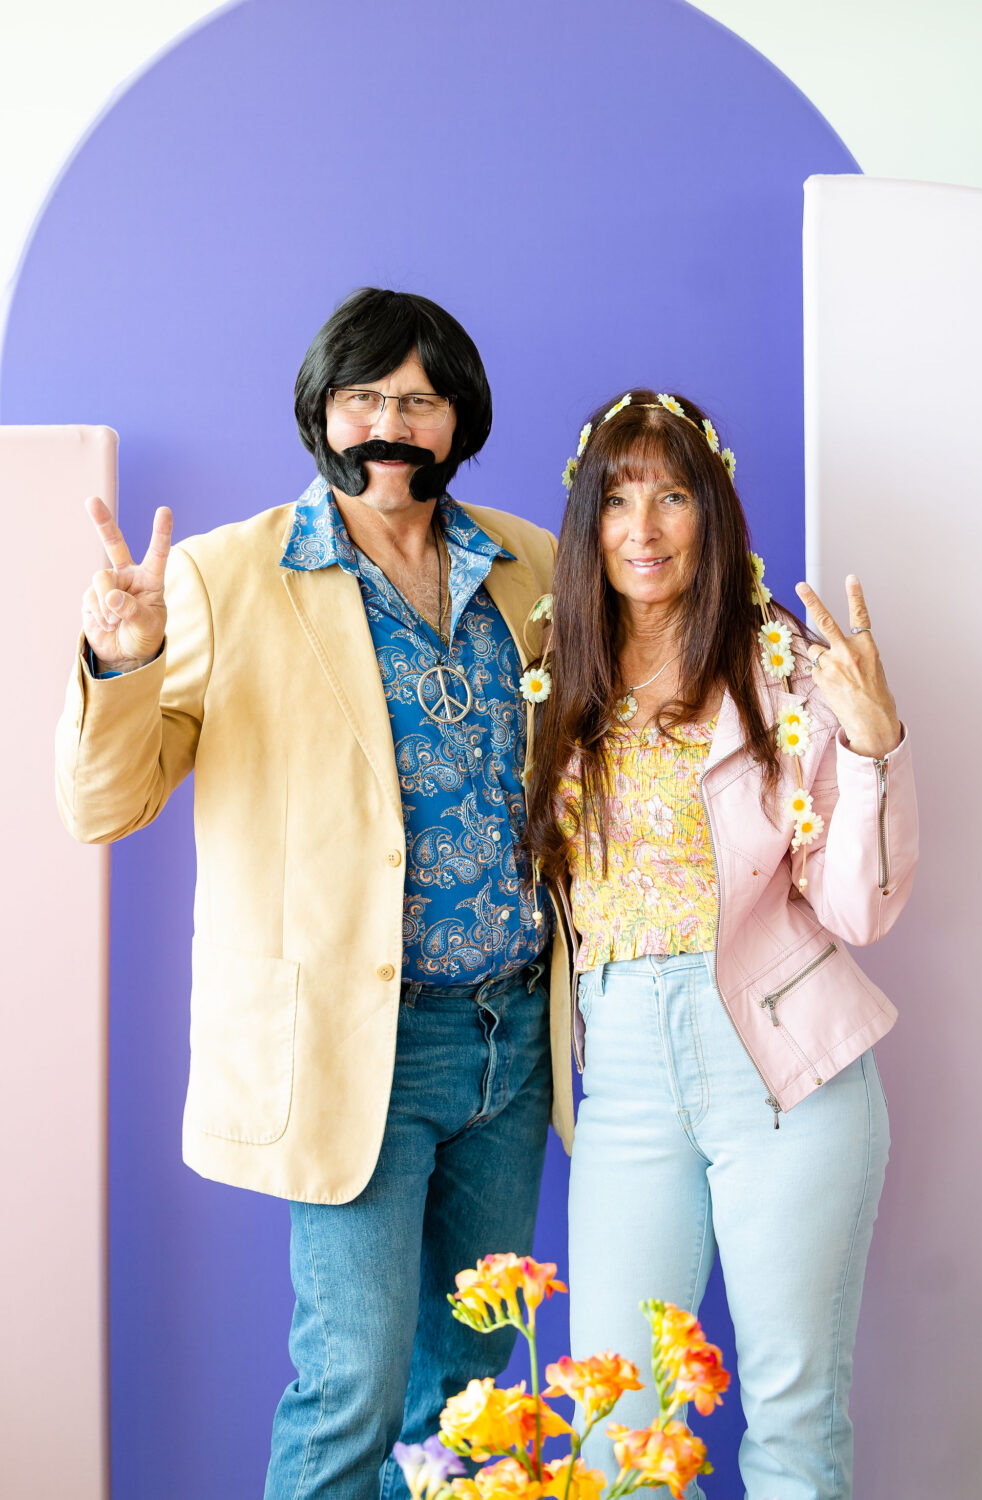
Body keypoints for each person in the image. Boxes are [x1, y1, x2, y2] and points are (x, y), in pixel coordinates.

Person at [55, 287, 577, 1499]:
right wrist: (121, 659)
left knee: (478, 1392)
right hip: (356, 1047)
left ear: (458, 419)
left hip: (511, 1041)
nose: (390, 425)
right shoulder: (221, 577)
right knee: (350, 1384)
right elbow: (104, 805)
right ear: (321, 412)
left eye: (420, 399)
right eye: (363, 398)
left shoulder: (531, 567)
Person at [523, 389, 918, 1499]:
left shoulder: (781, 672)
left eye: (671, 495)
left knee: (791, 1424)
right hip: (628, 1081)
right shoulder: (556, 677)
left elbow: (858, 911)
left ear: (713, 513)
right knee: (617, 1432)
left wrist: (875, 744)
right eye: (615, 497)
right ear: (586, 522)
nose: (641, 528)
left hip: (782, 1072)